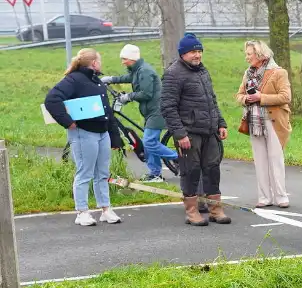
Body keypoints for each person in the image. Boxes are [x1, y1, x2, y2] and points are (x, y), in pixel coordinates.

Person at [44, 48, 124, 226]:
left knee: (102, 173)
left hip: (102, 133)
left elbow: (107, 112)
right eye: (99, 60)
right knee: (84, 173)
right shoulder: (73, 80)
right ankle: (82, 212)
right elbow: (52, 99)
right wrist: (68, 122)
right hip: (83, 133)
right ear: (94, 63)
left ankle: (106, 209)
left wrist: (114, 136)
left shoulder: (98, 82)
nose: (101, 64)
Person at [162, 32, 232, 226]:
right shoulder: (173, 74)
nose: (197, 55)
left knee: (212, 170)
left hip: (210, 132)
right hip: (188, 133)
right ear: (183, 53)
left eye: (199, 51)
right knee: (190, 172)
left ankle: (215, 210)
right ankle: (192, 211)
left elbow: (212, 100)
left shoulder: (203, 71)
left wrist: (221, 123)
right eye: (193, 51)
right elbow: (168, 107)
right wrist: (179, 134)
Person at [102, 44, 177, 181]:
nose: (123, 62)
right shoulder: (138, 70)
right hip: (151, 112)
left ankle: (178, 158)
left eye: (124, 59)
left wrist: (128, 97)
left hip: (158, 111)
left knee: (149, 142)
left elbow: (146, 94)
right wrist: (111, 79)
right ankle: (155, 173)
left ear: (132, 58)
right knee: (150, 141)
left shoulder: (145, 71)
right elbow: (128, 78)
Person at [235, 40, 292, 209]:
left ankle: (281, 196)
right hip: (254, 122)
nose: (247, 57)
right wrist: (246, 98)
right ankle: (265, 197)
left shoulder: (278, 73)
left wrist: (261, 98)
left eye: (249, 54)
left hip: (274, 122)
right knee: (259, 161)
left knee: (275, 160)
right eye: (246, 54)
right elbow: (239, 95)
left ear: (260, 54)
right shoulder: (248, 73)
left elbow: (286, 97)